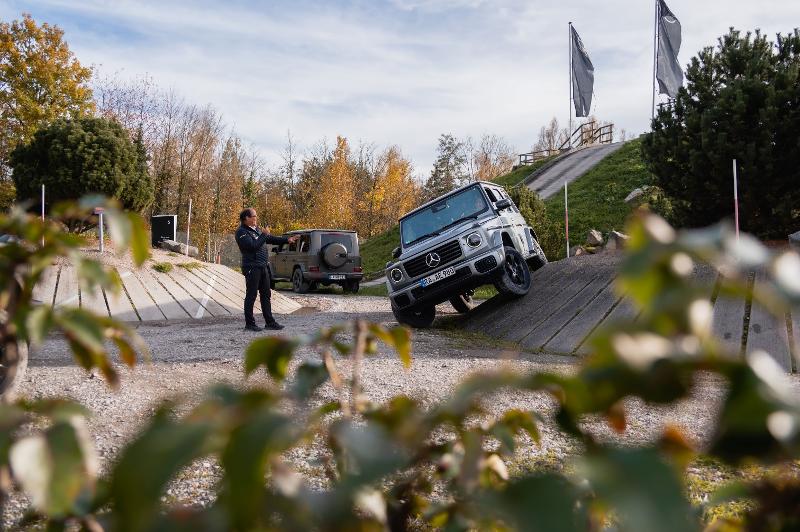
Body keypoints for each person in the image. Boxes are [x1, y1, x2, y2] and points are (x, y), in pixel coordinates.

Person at [235, 208, 298, 331]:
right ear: (246, 218)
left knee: (266, 295)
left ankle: (270, 322)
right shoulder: (241, 232)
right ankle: (250, 324)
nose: (256, 218)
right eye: (254, 216)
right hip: (252, 268)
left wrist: (287, 240)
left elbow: (270, 239)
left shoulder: (256, 230)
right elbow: (253, 246)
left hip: (263, 267)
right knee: (251, 295)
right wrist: (264, 234)